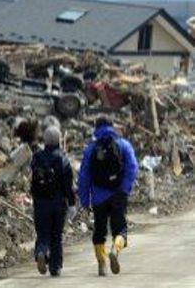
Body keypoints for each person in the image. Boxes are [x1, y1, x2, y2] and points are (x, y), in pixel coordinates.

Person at [78, 117, 138, 276]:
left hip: (98, 197)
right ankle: (115, 249)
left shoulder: (91, 149)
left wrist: (85, 200)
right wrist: (124, 189)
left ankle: (101, 264)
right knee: (120, 229)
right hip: (118, 194)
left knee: (99, 231)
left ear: (96, 129)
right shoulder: (123, 145)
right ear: (112, 127)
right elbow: (133, 168)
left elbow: (84, 176)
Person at [30, 126, 76, 277]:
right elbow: (68, 186)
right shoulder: (63, 159)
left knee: (42, 233)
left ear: (44, 140)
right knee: (56, 235)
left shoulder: (37, 157)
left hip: (40, 203)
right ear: (59, 140)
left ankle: (41, 252)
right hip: (58, 204)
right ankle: (55, 267)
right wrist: (72, 204)